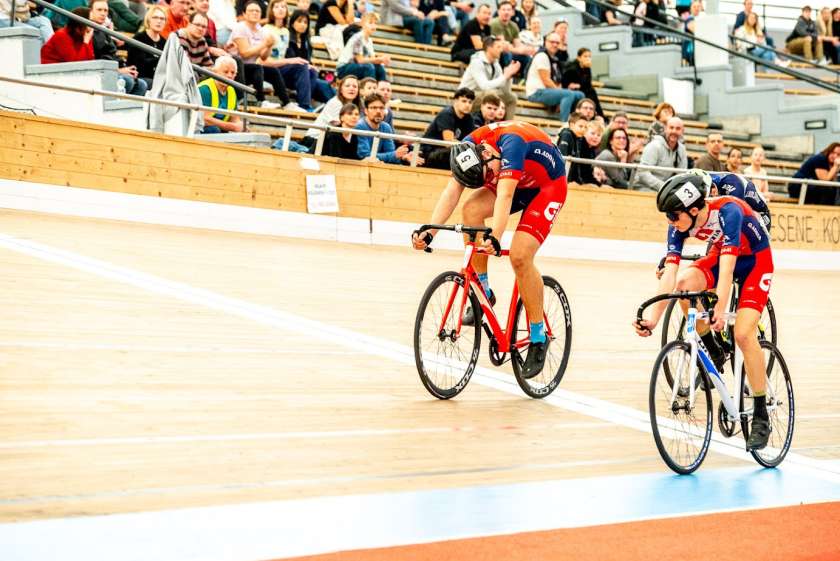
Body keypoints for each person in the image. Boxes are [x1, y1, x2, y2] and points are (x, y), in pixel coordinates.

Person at [411, 121, 568, 379]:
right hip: (517, 181)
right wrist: (430, 231)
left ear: (488, 154)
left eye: (488, 175)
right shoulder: (470, 148)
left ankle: (538, 338)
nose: (489, 181)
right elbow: (452, 192)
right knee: (471, 210)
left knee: (519, 256)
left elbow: (505, 195)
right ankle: (483, 291)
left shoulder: (512, 145)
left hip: (547, 187)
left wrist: (495, 237)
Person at [634, 172, 775, 451]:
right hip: (723, 255)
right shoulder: (680, 224)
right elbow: (671, 275)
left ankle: (760, 413)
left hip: (755, 261)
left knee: (744, 334)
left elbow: (728, 268)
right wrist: (652, 318)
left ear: (695, 208)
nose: (671, 223)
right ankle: (713, 347)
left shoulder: (729, 210)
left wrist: (721, 309)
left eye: (674, 216)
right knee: (685, 284)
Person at [231, 0, 300, 110]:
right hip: (236, 69)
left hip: (250, 69)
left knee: (272, 71)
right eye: (251, 10)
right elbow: (244, 53)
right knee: (257, 68)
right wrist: (264, 44)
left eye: (257, 11)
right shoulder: (240, 27)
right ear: (244, 14)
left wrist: (269, 46)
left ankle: (286, 103)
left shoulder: (260, 30)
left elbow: (263, 57)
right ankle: (261, 100)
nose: (255, 13)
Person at [262, 0, 319, 111]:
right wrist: (291, 61)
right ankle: (305, 105)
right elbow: (262, 61)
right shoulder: (265, 29)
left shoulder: (286, 32)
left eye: (283, 6)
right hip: (269, 71)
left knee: (312, 71)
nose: (280, 9)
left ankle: (302, 102)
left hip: (282, 71)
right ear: (271, 10)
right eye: (277, 6)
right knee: (301, 65)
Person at [89, 0, 148, 96]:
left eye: (105, 11)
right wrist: (119, 71)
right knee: (128, 81)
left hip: (114, 70)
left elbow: (113, 55)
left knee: (142, 85)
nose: (103, 13)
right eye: (99, 10)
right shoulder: (88, 32)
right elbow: (95, 60)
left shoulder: (105, 32)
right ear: (90, 12)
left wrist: (126, 69)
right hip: (100, 73)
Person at [525, 32, 584, 121]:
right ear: (545, 42)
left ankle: (577, 121)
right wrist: (560, 94)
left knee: (580, 95)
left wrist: (559, 93)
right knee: (568, 94)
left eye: (557, 43)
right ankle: (564, 124)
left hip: (547, 91)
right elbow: (546, 80)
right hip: (536, 92)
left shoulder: (554, 59)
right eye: (552, 42)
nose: (555, 45)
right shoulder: (542, 56)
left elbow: (558, 80)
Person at [460, 36, 518, 119]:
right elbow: (484, 86)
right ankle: (487, 125)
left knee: (511, 98)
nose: (501, 50)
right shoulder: (477, 62)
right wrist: (504, 76)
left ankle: (506, 128)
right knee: (491, 95)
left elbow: (505, 91)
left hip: (483, 95)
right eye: (498, 47)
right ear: (489, 48)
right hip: (467, 97)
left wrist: (508, 77)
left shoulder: (496, 64)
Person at [286, 9, 335, 105]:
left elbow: (308, 61)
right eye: (299, 21)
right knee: (311, 72)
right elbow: (287, 60)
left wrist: (311, 66)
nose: (303, 25)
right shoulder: (287, 37)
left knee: (325, 86)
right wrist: (308, 66)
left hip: (305, 77)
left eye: (305, 22)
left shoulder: (306, 42)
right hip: (289, 74)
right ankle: (305, 104)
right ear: (292, 23)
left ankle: (339, 110)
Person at [356, 93, 422, 165]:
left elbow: (391, 154)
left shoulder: (386, 127)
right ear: (366, 111)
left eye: (381, 108)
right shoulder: (360, 126)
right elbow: (364, 156)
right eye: (374, 108)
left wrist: (403, 157)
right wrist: (394, 155)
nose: (378, 111)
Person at [421, 87, 476, 169]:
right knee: (456, 153)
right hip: (430, 152)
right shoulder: (447, 114)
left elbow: (471, 141)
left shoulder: (469, 119)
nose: (467, 105)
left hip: (448, 152)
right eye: (464, 101)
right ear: (456, 101)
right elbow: (448, 142)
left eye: (470, 102)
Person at [633, 116, 688, 191]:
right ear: (665, 129)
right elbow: (643, 173)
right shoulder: (654, 146)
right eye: (671, 128)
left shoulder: (682, 149)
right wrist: (665, 187)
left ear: (682, 131)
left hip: (665, 190)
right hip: (643, 187)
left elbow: (681, 175)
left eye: (678, 129)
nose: (674, 131)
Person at [198, 56, 245, 133]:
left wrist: (240, 125)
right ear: (215, 72)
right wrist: (232, 127)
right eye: (225, 72)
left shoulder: (231, 90)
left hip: (219, 130)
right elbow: (205, 119)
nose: (229, 76)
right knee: (214, 130)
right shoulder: (205, 89)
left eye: (232, 73)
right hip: (199, 129)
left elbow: (234, 118)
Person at [337, 12, 389, 81]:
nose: (373, 26)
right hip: (344, 68)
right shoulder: (358, 38)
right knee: (368, 67)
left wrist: (382, 60)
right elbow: (360, 60)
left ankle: (381, 89)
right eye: (370, 23)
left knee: (379, 68)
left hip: (357, 66)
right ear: (363, 24)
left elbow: (372, 59)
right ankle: (369, 89)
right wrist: (379, 59)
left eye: (375, 23)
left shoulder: (369, 40)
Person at [490, 0, 534, 76]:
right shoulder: (495, 23)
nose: (506, 12)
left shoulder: (514, 26)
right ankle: (506, 78)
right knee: (507, 54)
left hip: (510, 52)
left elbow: (518, 45)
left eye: (508, 10)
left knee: (526, 58)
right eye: (503, 10)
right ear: (499, 11)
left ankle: (524, 80)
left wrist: (525, 50)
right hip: (496, 52)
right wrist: (521, 50)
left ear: (512, 12)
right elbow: (503, 47)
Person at [126, 5, 167, 86]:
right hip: (140, 78)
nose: (159, 21)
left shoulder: (164, 42)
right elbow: (140, 66)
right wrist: (160, 59)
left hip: (159, 79)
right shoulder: (139, 38)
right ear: (148, 20)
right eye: (155, 17)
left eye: (162, 19)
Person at [561, 48, 604, 120]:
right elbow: (565, 83)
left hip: (583, 89)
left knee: (592, 91)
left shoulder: (587, 68)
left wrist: (580, 85)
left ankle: (598, 115)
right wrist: (577, 85)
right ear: (579, 58)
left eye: (589, 56)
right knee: (589, 92)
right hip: (571, 92)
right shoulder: (572, 68)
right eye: (585, 56)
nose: (588, 58)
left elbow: (587, 84)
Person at [568, 120, 605, 186]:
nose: (595, 137)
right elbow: (576, 171)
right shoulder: (580, 145)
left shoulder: (592, 150)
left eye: (598, 135)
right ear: (585, 133)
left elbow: (587, 173)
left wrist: (599, 185)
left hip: (582, 181)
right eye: (592, 133)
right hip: (571, 181)